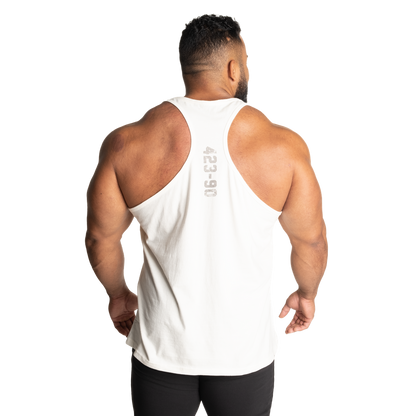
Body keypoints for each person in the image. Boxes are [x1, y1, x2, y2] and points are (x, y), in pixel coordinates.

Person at [83, 11, 331, 416]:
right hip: (244, 354)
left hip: (161, 350)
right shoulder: (283, 145)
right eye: (247, 63)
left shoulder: (127, 142)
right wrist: (307, 294)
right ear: (234, 67)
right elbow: (311, 241)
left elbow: (100, 238)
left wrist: (118, 296)